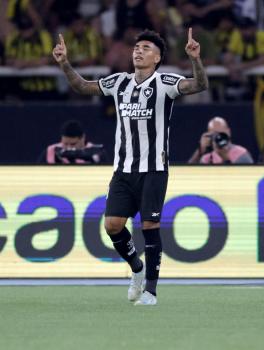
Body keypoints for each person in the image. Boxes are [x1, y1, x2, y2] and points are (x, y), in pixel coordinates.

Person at [53, 28, 208, 305]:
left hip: (154, 168)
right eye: (137, 47)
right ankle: (136, 269)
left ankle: (150, 291)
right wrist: (64, 63)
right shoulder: (119, 83)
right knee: (112, 225)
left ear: (158, 58)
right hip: (123, 169)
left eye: (147, 48)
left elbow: (198, 85)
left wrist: (195, 59)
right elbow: (83, 86)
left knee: (150, 225)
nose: (139, 50)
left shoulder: (165, 83)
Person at [188, 116, 254, 164]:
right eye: (215, 134)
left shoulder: (241, 154)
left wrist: (224, 155)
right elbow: (188, 176)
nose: (219, 137)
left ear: (228, 132)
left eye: (221, 133)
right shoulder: (207, 159)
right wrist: (200, 150)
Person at [38, 120, 106, 164]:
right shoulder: (50, 151)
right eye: (65, 144)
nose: (69, 147)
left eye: (73, 144)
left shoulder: (98, 153)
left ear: (82, 138)